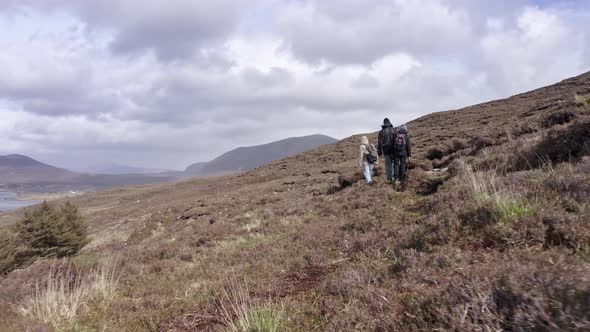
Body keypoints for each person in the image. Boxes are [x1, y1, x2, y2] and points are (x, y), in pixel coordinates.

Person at [377, 118, 396, 183]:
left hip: (386, 151)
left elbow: (380, 143)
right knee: (395, 164)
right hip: (394, 150)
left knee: (388, 165)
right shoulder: (394, 130)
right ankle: (395, 178)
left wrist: (379, 152)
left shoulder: (381, 132)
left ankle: (389, 179)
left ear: (384, 123)